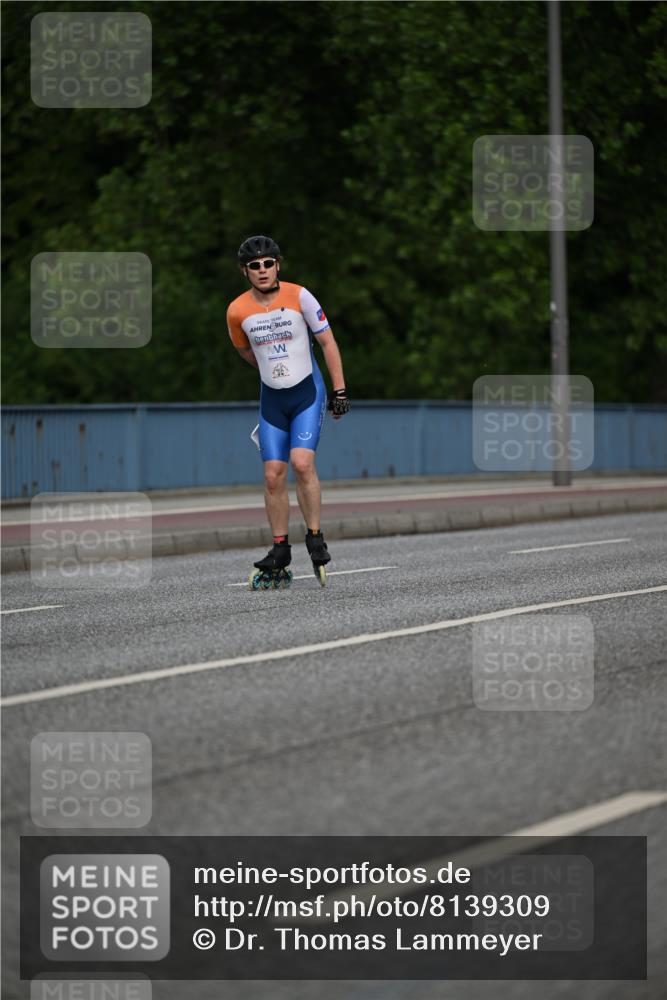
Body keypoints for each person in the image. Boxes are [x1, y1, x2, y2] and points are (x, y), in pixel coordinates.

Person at [226, 235, 350, 586]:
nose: (262, 270)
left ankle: (315, 536)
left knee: (301, 463)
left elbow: (327, 342)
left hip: (306, 395)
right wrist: (271, 368)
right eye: (255, 265)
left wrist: (340, 391)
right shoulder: (237, 310)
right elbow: (246, 352)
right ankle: (280, 548)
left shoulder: (300, 296)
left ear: (278, 265)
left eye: (268, 263)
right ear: (245, 271)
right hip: (272, 401)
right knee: (272, 475)